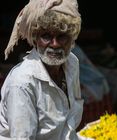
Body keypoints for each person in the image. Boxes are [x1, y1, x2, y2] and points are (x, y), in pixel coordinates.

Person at [0, 0, 84, 139]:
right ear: (35, 39)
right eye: (46, 36)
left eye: (61, 36)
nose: (55, 44)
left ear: (71, 39)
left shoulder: (72, 63)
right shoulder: (22, 83)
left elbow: (69, 126)